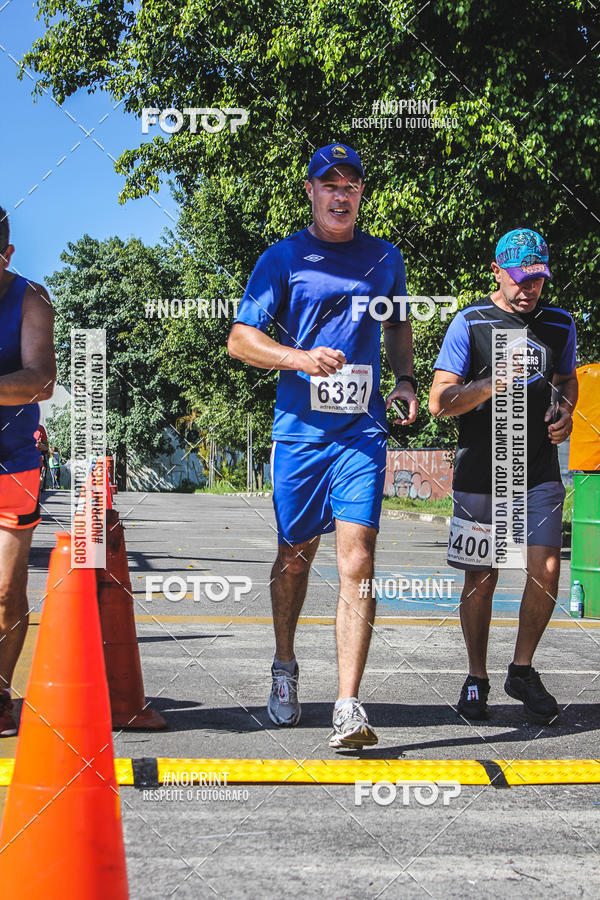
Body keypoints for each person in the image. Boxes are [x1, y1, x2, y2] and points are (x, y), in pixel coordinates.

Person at [228, 143, 417, 748]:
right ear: (310, 191)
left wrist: (407, 380)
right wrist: (300, 360)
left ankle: (348, 703)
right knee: (294, 558)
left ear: (361, 194)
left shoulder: (386, 259)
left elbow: (398, 324)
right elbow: (240, 339)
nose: (341, 194)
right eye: (328, 184)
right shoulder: (282, 258)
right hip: (299, 434)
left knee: (357, 559)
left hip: (360, 431)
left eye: (351, 185)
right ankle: (285, 667)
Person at [429, 227, 578, 724]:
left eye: (537, 278)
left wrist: (564, 408)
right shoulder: (470, 323)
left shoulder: (559, 323)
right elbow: (440, 403)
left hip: (536, 471)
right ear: (496, 271)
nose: (528, 288)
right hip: (482, 472)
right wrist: (493, 382)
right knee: (482, 577)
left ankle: (522, 669)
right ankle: (476, 677)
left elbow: (566, 379)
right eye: (518, 278)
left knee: (548, 570)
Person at [0, 206, 56, 735]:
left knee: (5, 590)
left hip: (12, 462)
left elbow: (40, 381)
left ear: (7, 254)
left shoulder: (31, 297)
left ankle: (0, 690)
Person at [33, 423, 49, 491]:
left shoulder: (40, 428)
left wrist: (40, 445)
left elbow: (46, 447)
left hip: (36, 462)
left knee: (35, 488)